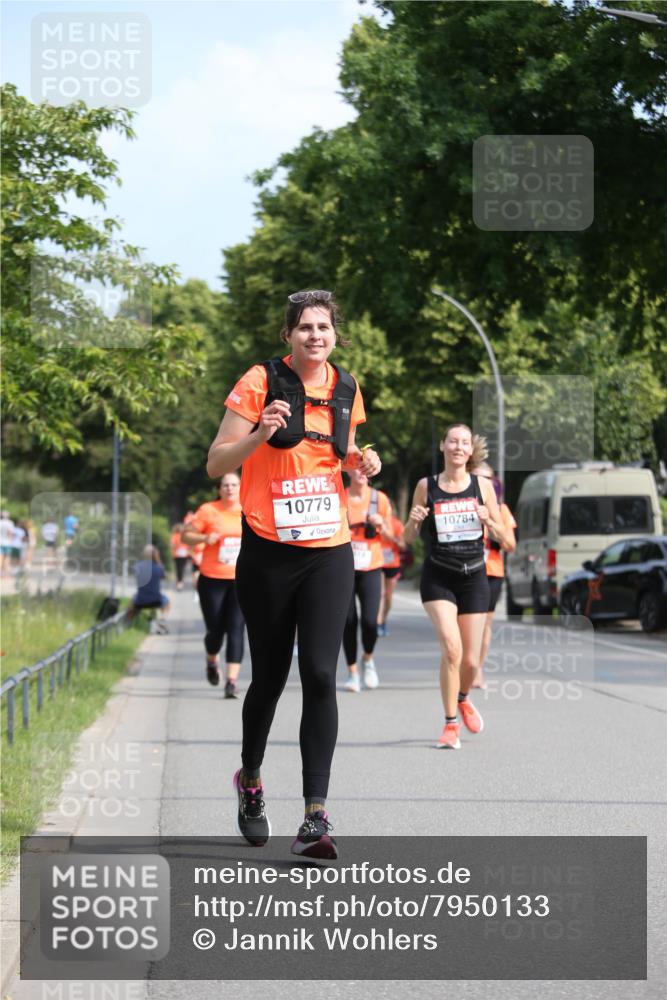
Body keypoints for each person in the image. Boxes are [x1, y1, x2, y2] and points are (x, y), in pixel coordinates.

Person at [206, 288, 380, 859]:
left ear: (335, 334)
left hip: (329, 549)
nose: (314, 336)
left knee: (322, 675)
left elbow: (342, 454)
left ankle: (315, 816)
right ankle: (251, 780)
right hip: (268, 551)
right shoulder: (258, 381)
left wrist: (362, 463)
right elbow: (216, 462)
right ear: (288, 335)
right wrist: (258, 433)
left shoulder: (347, 388)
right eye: (304, 327)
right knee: (271, 677)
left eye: (323, 327)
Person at [404, 425, 509, 750]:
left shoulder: (483, 486)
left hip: (474, 576)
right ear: (443, 446)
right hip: (439, 576)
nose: (458, 447)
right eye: (453, 441)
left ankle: (463, 698)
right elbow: (407, 539)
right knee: (451, 648)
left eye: (464, 442)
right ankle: (450, 723)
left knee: (472, 662)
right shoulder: (427, 485)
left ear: (470, 450)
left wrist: (488, 520)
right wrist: (415, 520)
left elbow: (504, 538)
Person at [182, 474, 245, 699]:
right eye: (225, 485)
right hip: (212, 579)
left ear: (240, 487)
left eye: (234, 485)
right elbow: (185, 536)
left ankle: (231, 682)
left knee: (237, 629)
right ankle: (211, 659)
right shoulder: (208, 510)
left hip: (242, 579)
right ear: (219, 489)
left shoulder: (248, 507)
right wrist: (203, 539)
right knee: (215, 630)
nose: (229, 488)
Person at [342, 470, 391, 691]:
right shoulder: (339, 496)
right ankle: (352, 672)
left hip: (371, 566)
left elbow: (393, 535)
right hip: (343, 568)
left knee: (370, 621)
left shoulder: (379, 499)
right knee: (348, 621)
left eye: (365, 469)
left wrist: (380, 523)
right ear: (349, 470)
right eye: (356, 468)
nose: (360, 473)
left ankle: (368, 659)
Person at [471, 462, 517, 689]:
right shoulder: (459, 503)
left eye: (487, 478)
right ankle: (463, 666)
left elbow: (510, 544)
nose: (483, 482)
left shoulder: (502, 509)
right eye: (477, 477)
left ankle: (477, 668)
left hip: (491, 571)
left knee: (484, 625)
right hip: (464, 570)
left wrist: (489, 520)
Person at [377, 501, 406, 637]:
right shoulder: (375, 522)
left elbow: (403, 546)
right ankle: (378, 623)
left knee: (388, 596)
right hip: (377, 562)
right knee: (381, 594)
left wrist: (392, 538)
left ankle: (384, 620)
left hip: (393, 563)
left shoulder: (397, 524)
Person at [128, 545, 170, 631]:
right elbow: (164, 576)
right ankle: (163, 620)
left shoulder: (137, 567)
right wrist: (158, 561)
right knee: (167, 602)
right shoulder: (159, 567)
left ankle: (129, 622)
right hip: (156, 599)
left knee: (132, 601)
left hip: (140, 600)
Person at [170, 523, 190, 591]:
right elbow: (172, 544)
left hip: (184, 554)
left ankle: (180, 581)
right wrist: (177, 546)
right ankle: (179, 582)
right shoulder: (175, 536)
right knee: (179, 568)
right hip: (178, 554)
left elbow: (189, 544)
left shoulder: (185, 536)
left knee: (182, 568)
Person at [0, 511, 15, 576]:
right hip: (8, 543)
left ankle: (1, 572)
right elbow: (10, 533)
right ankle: (6, 573)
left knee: (1, 558)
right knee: (7, 558)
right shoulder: (10, 523)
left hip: (0, 542)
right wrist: (11, 541)